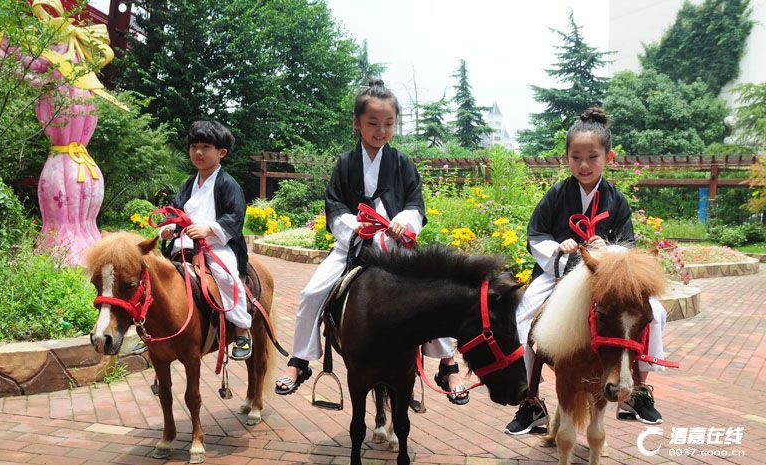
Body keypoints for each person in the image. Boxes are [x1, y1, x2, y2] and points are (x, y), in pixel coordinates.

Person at [274, 80, 470, 404]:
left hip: (395, 247)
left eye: (388, 124)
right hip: (352, 247)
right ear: (357, 123)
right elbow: (334, 204)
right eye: (373, 123)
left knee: (432, 294)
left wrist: (404, 220)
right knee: (311, 293)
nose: (381, 131)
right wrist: (355, 227)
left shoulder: (403, 163)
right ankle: (300, 360)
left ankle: (447, 364)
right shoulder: (345, 163)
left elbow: (416, 203)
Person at [504, 107, 669, 434]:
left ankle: (636, 392)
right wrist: (559, 247)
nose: (583, 165)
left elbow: (628, 247)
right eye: (576, 157)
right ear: (566, 158)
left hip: (604, 278)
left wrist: (607, 250)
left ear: (608, 157)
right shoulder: (556, 195)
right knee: (519, 319)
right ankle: (530, 401)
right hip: (557, 273)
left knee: (656, 312)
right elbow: (535, 236)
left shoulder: (616, 199)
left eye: (592, 157)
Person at [158, 120, 253, 360]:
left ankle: (242, 330)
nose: (198, 152)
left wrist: (209, 229)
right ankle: (153, 329)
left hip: (217, 246)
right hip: (184, 245)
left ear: (221, 152)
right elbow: (175, 210)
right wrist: (169, 227)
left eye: (205, 147)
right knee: (154, 276)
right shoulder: (189, 183)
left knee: (227, 277)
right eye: (194, 147)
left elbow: (235, 216)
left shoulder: (228, 183)